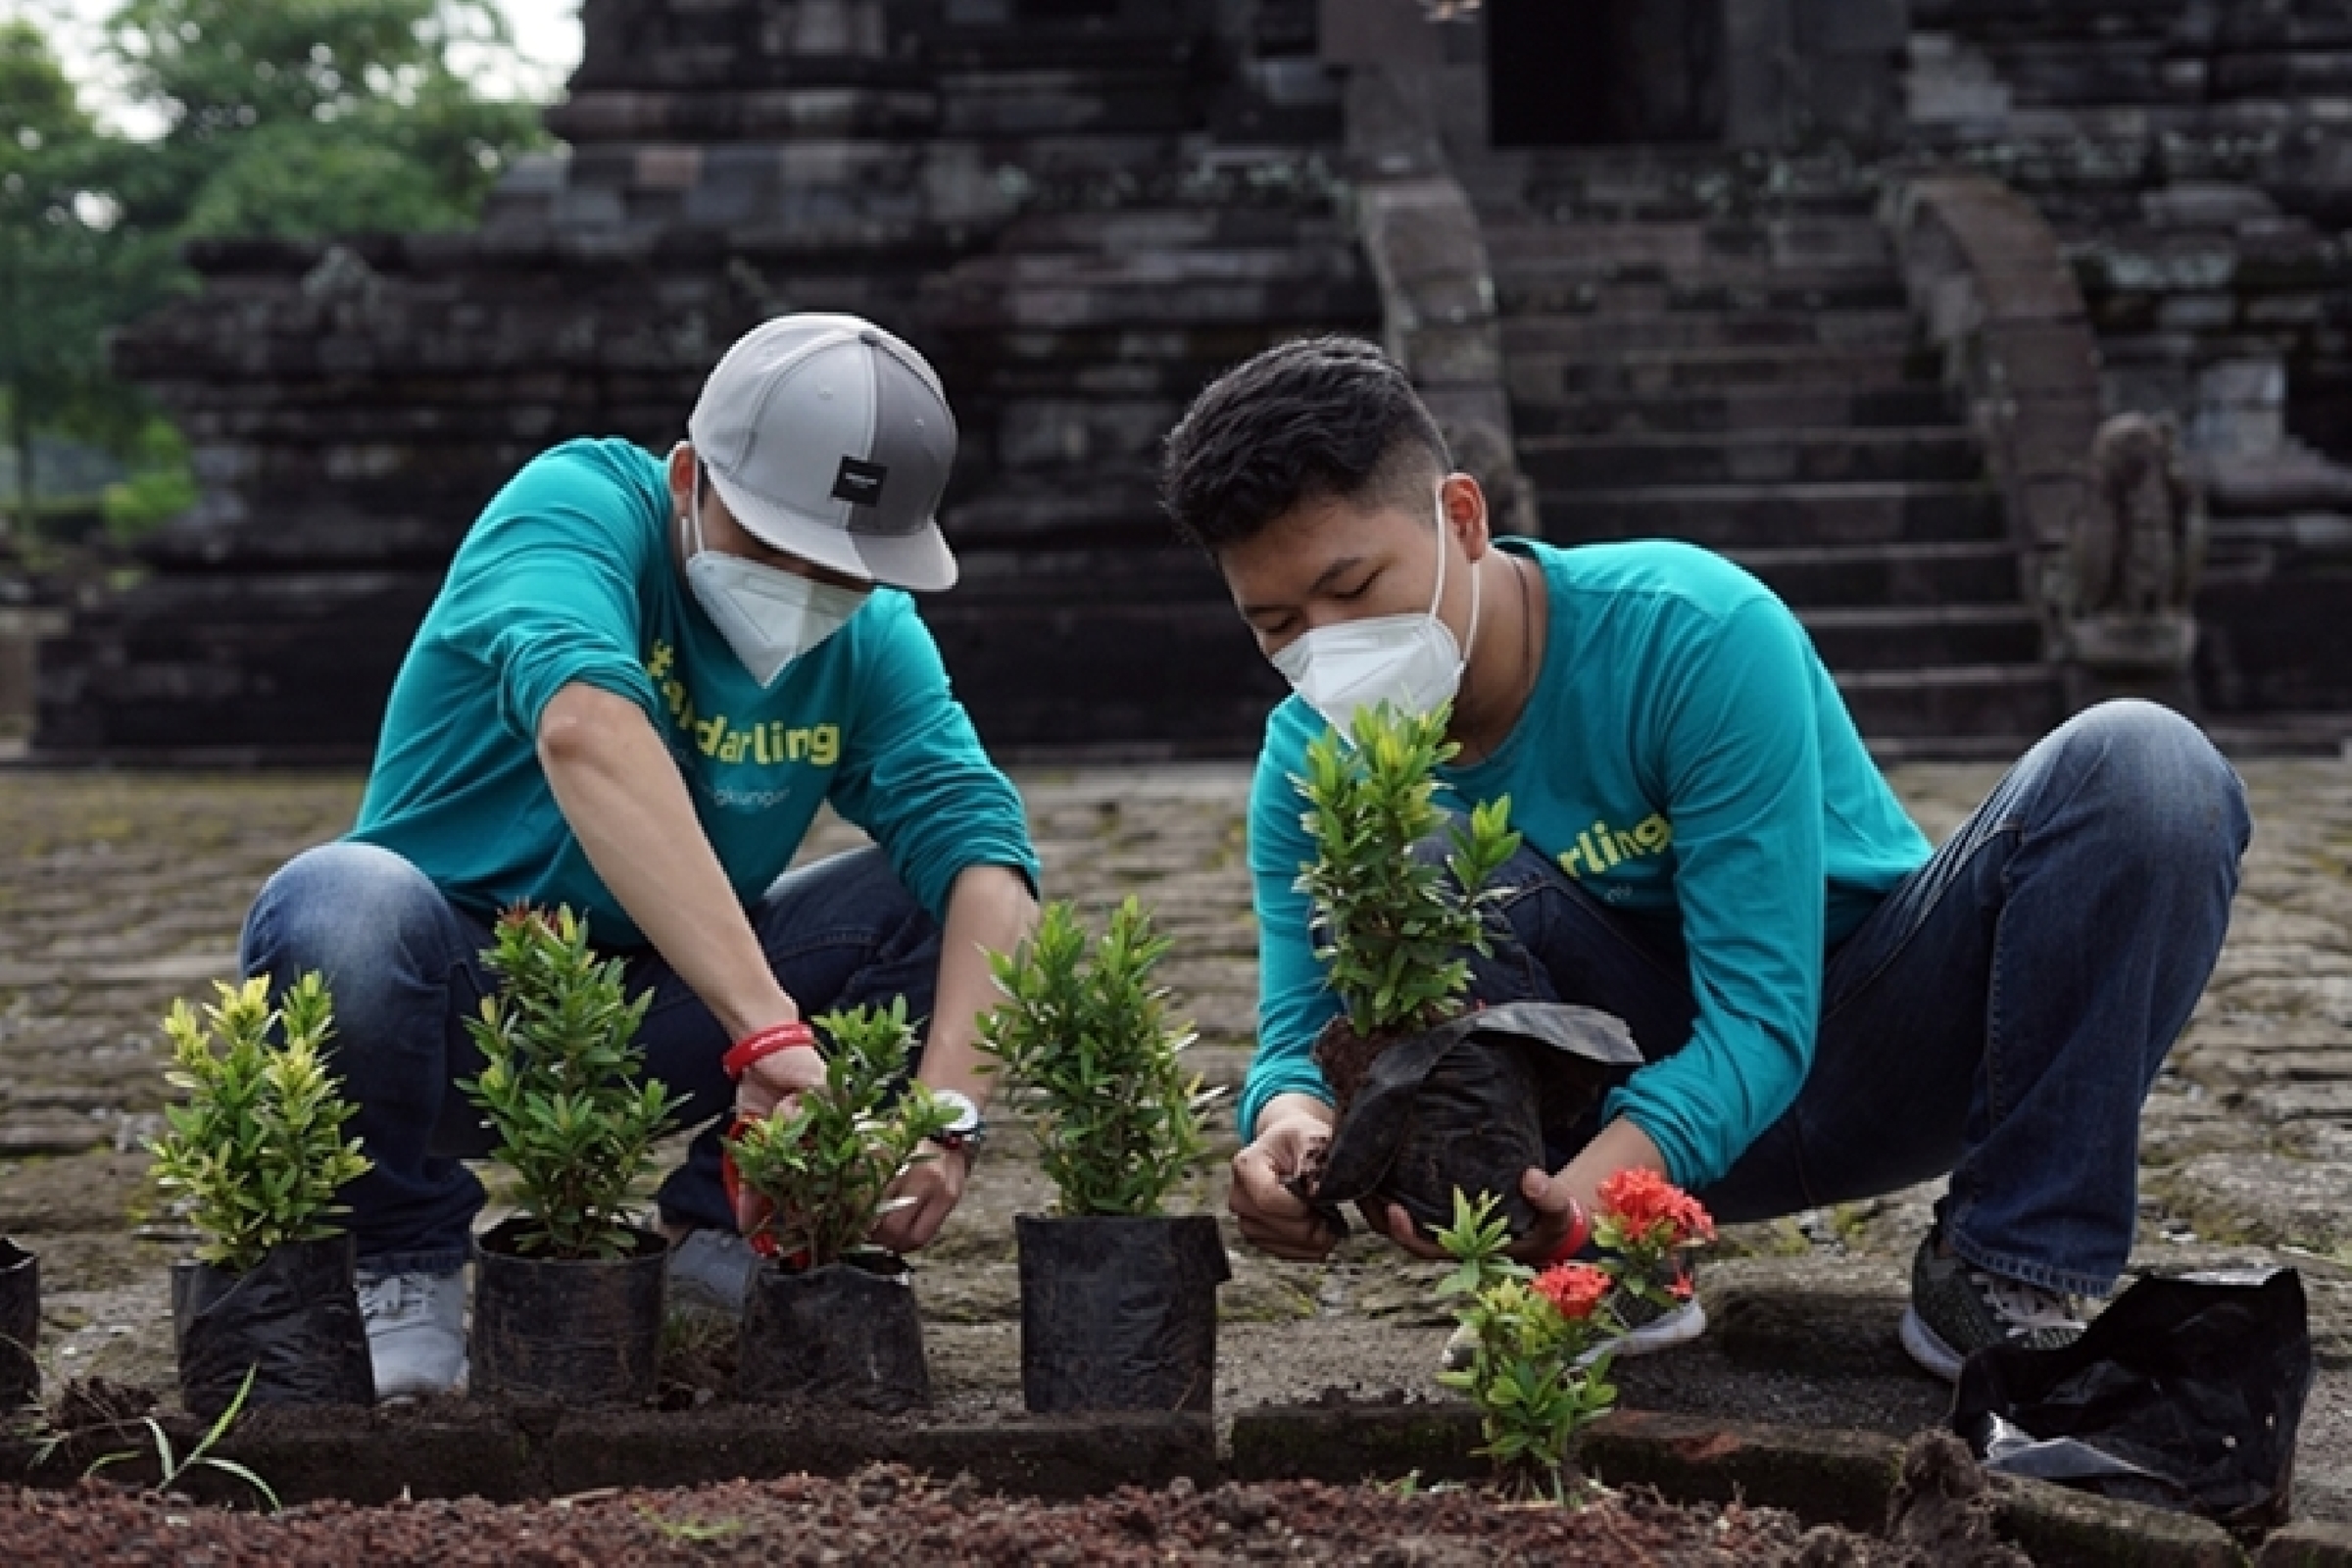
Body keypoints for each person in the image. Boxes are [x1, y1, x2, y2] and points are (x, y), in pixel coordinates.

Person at [1157, 335, 2251, 1380]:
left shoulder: (1690, 629)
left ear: (1461, 516)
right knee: (1428, 852)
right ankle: (1620, 1281)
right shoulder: (1311, 754)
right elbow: (1304, 1030)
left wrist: (1579, 1205)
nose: (1326, 648)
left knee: (2148, 767)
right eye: (1278, 624)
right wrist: (1289, 1127)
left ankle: (2005, 1267)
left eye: (1352, 591)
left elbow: (1765, 1017)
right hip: (1601, 1127)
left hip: (1878, 1040)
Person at [241, 314, 1040, 1398]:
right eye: (769, 546)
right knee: (338, 901)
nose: (804, 589)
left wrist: (946, 1124)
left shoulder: (869, 636)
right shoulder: (575, 508)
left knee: (937, 903)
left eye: (840, 571)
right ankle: (397, 1261)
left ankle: (721, 1240)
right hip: (443, 999)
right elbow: (585, 726)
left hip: (666, 1017)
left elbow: (986, 858)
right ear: (685, 477)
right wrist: (768, 1031)